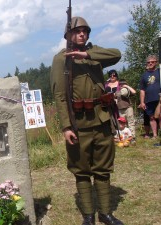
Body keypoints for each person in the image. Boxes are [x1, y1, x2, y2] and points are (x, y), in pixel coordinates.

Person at [50, 17, 123, 225]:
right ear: (68, 34)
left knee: (103, 168)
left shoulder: (95, 53)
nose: (81, 34)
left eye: (85, 31)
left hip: (101, 119)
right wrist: (65, 126)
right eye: (77, 31)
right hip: (78, 123)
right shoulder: (61, 59)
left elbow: (117, 54)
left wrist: (87, 54)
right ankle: (89, 215)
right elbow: (60, 96)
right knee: (81, 171)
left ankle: (106, 213)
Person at [139, 54, 161, 139]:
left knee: (160, 116)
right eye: (148, 62)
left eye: (152, 62)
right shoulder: (144, 75)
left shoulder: (160, 71)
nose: (150, 63)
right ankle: (155, 135)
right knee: (151, 117)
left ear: (156, 62)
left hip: (159, 98)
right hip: (149, 99)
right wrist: (142, 102)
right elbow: (142, 90)